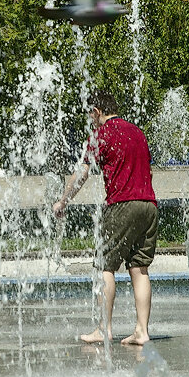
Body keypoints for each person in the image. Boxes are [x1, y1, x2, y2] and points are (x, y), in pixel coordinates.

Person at [53, 90, 157, 346]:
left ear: (97, 112)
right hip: (149, 205)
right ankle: (142, 331)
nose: (90, 120)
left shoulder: (102, 134)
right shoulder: (137, 132)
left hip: (122, 205)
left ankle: (103, 328)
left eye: (91, 115)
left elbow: (82, 173)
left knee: (104, 266)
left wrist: (63, 201)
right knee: (139, 268)